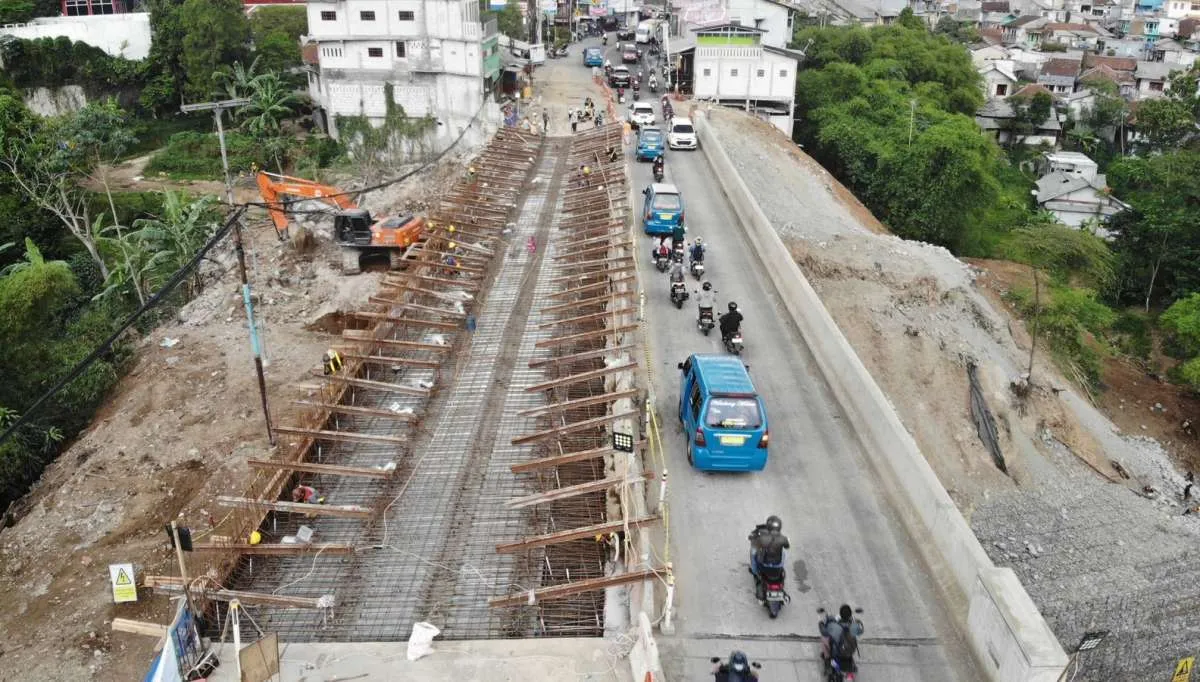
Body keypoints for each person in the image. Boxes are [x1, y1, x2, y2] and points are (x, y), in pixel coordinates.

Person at [820, 604, 865, 672]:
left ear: (840, 614)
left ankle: (827, 659)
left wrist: (821, 624)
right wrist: (858, 622)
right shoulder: (854, 626)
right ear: (850, 615)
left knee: (824, 638)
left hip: (837, 653)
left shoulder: (833, 626)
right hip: (850, 652)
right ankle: (851, 663)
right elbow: (861, 630)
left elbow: (824, 632)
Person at [748, 515, 790, 585]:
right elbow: (787, 547)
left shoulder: (761, 538)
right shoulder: (784, 538)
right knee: (783, 552)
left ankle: (754, 571)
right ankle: (781, 566)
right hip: (778, 565)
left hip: (764, 564)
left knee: (753, 551)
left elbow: (754, 542)